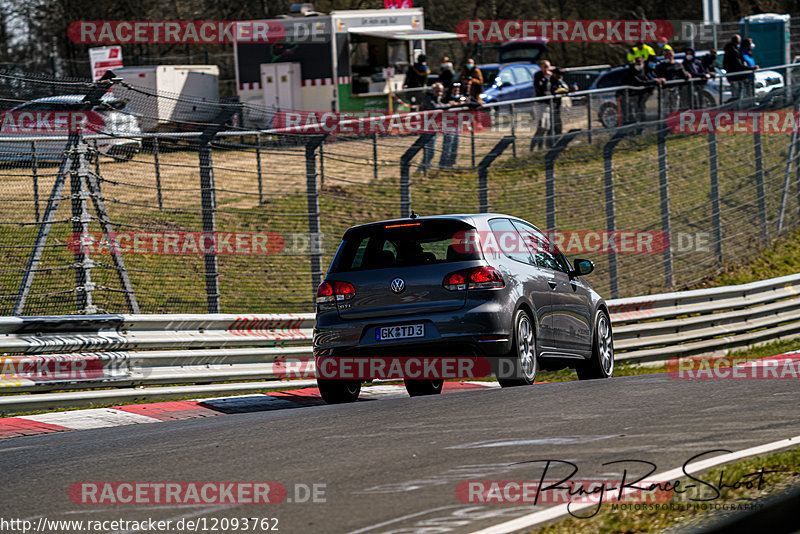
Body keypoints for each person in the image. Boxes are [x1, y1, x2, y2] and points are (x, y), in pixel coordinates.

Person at [622, 56, 665, 125]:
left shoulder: (644, 70)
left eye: (640, 64)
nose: (639, 66)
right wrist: (654, 82)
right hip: (630, 95)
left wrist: (656, 81)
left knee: (641, 110)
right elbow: (639, 82)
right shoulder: (631, 71)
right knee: (631, 113)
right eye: (637, 64)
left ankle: (641, 126)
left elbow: (646, 79)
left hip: (639, 95)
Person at [417, 83, 450, 172]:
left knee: (430, 151)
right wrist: (448, 105)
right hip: (426, 127)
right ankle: (423, 170)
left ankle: (423, 169)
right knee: (429, 151)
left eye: (441, 92)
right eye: (437, 91)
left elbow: (441, 106)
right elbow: (435, 107)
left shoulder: (436, 99)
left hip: (433, 127)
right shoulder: (428, 98)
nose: (439, 93)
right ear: (432, 91)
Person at [655, 49, 690, 114]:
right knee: (665, 108)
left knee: (675, 108)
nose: (668, 56)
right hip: (664, 90)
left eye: (669, 54)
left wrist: (687, 75)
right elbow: (655, 76)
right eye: (666, 55)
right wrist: (660, 79)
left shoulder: (678, 65)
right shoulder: (660, 66)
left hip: (675, 89)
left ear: (673, 55)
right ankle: (664, 123)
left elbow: (684, 74)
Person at [531, 60, 554, 150]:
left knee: (547, 127)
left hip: (548, 104)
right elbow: (540, 88)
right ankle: (533, 146)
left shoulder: (550, 77)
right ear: (541, 68)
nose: (546, 69)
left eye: (548, 67)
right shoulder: (538, 76)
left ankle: (542, 146)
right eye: (544, 67)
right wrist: (546, 77)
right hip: (540, 104)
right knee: (541, 127)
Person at [723, 35, 750, 103]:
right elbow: (738, 64)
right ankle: (733, 108)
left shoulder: (731, 49)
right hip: (736, 76)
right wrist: (749, 68)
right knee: (737, 96)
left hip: (734, 76)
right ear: (738, 41)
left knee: (737, 94)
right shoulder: (733, 51)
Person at [550, 68, 576, 138]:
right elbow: (555, 91)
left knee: (558, 124)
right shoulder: (550, 81)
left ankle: (557, 139)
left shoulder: (560, 81)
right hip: (549, 105)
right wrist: (567, 91)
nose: (560, 76)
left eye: (561, 74)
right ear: (554, 74)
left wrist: (571, 89)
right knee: (550, 125)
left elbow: (565, 88)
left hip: (557, 105)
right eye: (558, 74)